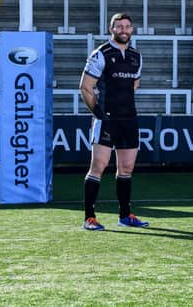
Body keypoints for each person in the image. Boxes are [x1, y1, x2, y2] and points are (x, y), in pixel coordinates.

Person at [79, 12, 149, 231]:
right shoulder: (100, 54)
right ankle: (89, 217)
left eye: (128, 26)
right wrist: (99, 114)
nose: (124, 30)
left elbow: (134, 85)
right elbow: (85, 87)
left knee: (126, 168)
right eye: (119, 27)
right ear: (112, 29)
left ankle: (125, 215)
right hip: (106, 120)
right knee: (98, 166)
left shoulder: (136, 56)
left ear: (132, 30)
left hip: (129, 119)